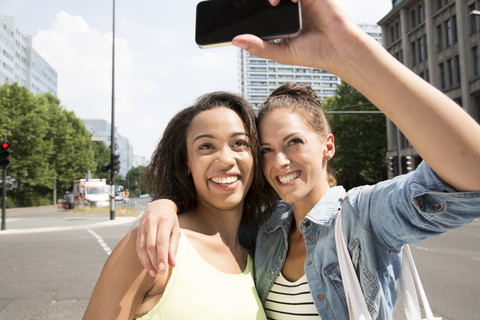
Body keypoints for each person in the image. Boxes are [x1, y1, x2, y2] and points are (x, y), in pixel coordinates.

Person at [136, 0, 480, 318]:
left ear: (327, 146)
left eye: (294, 142)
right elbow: (205, 215)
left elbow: (471, 176)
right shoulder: (265, 228)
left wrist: (349, 52)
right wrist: (163, 205)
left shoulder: (363, 216)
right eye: (266, 150)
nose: (279, 161)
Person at [83, 92, 271, 319]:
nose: (226, 159)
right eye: (206, 146)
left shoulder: (260, 253)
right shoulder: (153, 244)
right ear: (186, 163)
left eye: (239, 143)